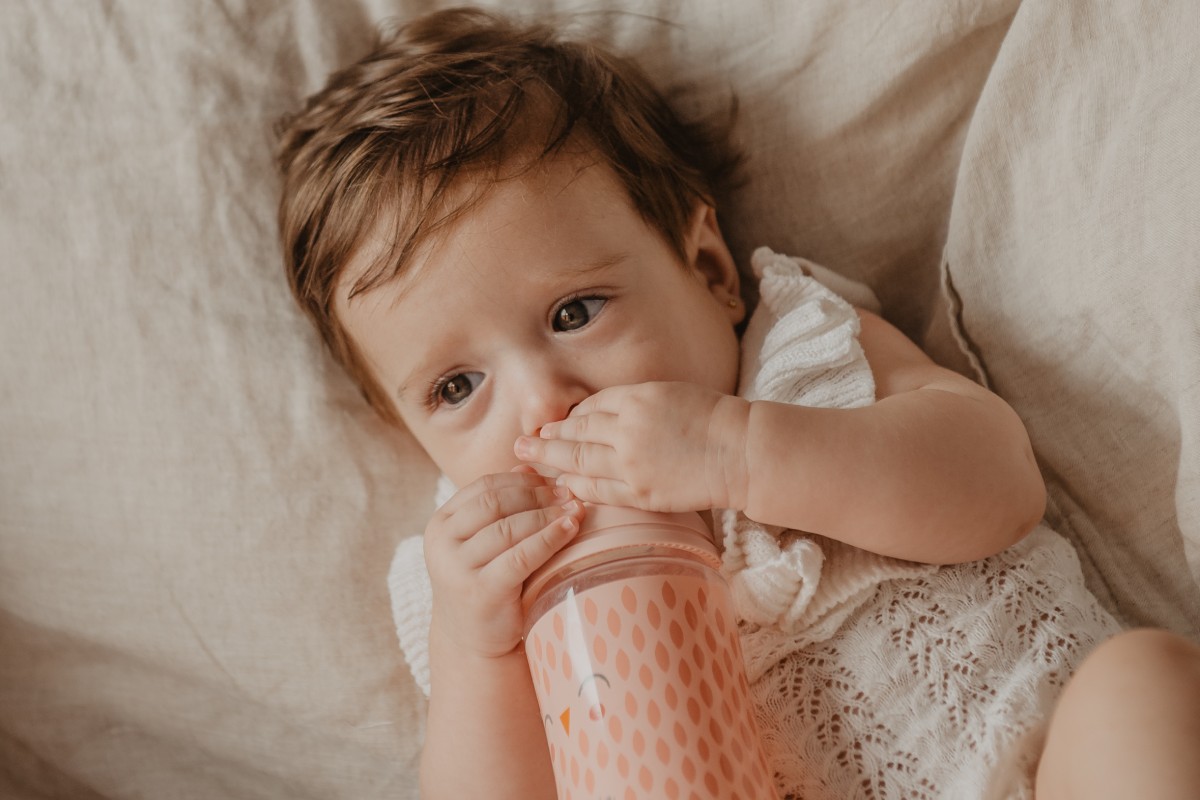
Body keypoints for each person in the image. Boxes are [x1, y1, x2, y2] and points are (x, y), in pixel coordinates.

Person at [276, 7, 1200, 799]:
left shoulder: (795, 356)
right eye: (455, 388)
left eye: (574, 312)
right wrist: (480, 652)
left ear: (710, 273)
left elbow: (999, 483)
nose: (541, 406)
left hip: (1046, 761)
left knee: (1144, 685)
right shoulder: (482, 574)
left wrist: (741, 451)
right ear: (408, 430)